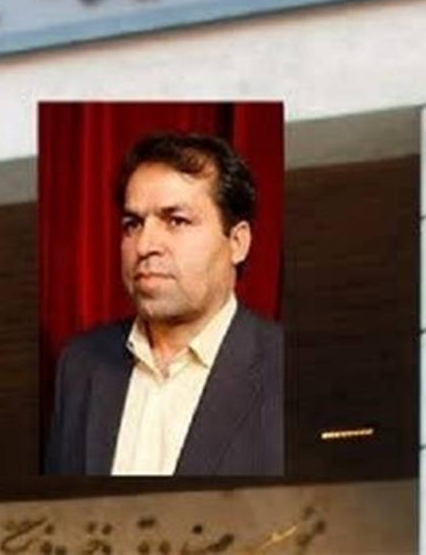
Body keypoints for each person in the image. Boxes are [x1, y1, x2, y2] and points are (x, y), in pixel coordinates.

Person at [45, 132, 283, 476]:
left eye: (176, 221)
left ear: (237, 242)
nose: (145, 245)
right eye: (133, 224)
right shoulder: (80, 364)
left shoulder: (283, 369)